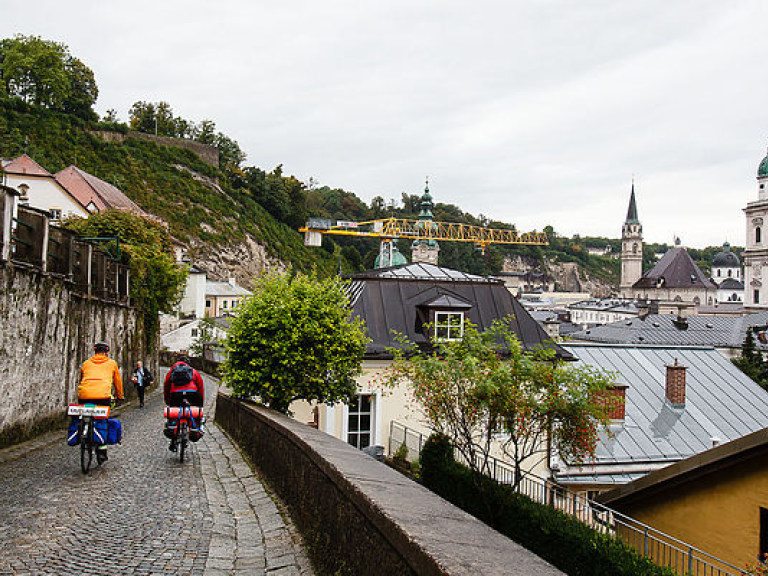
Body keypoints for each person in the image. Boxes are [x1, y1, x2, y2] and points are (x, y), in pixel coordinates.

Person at [78, 341, 124, 464]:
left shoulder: (86, 363)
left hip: (84, 395)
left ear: (95, 351)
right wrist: (120, 396)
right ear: (106, 352)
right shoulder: (111, 363)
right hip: (102, 396)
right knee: (102, 419)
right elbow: (117, 382)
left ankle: (83, 429)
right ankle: (102, 450)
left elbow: (81, 379)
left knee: (84, 413)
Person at [163, 356, 205, 451]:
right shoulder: (193, 371)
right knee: (195, 413)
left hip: (175, 394)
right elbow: (200, 386)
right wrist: (200, 403)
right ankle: (196, 427)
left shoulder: (172, 371)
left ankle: (173, 438)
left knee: (173, 415)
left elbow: (166, 385)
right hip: (192, 393)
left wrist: (168, 399)